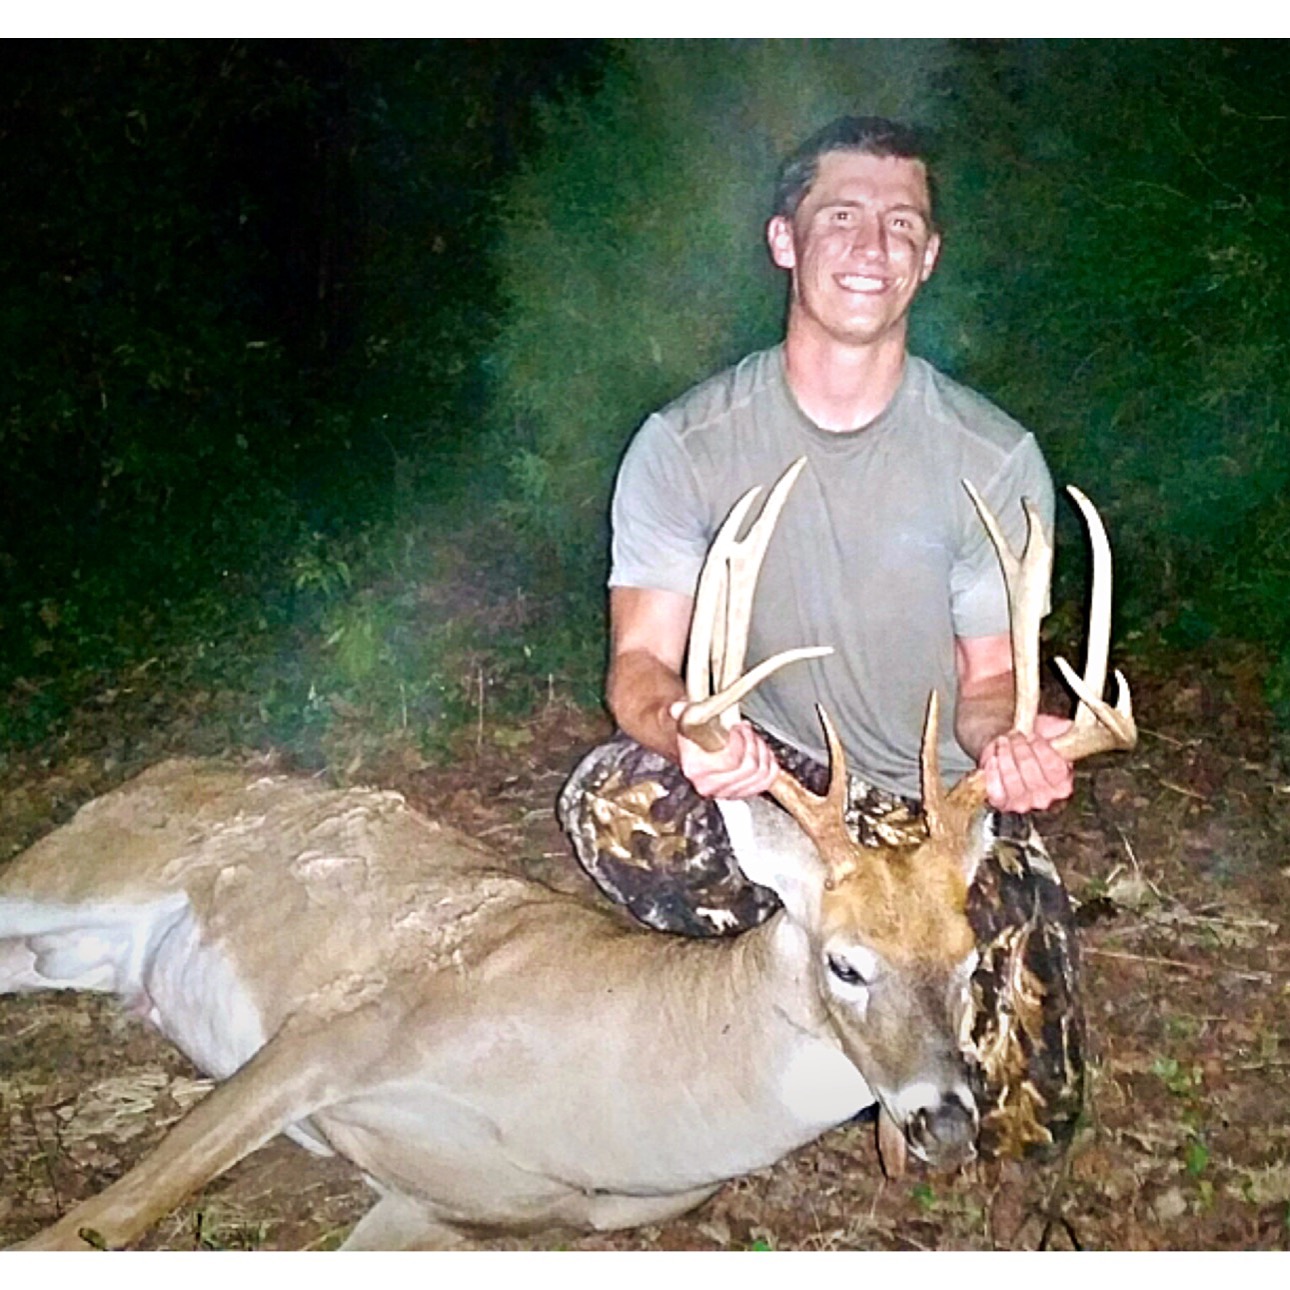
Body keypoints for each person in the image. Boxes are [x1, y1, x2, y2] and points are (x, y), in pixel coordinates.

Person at [560, 115, 1076, 939]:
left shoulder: (995, 460)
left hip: (933, 801)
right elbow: (641, 665)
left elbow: (989, 684)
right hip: (780, 779)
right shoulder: (685, 447)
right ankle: (774, 994)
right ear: (784, 240)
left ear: (928, 258)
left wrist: (1005, 746)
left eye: (901, 224)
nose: (872, 245)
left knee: (1014, 1070)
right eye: (841, 216)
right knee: (621, 801)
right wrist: (691, 728)